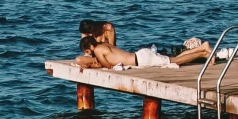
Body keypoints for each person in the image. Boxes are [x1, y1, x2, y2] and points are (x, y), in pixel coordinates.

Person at [78, 19, 209, 70]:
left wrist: (90, 66)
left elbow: (107, 66)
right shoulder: (104, 46)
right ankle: (202, 50)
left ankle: (202, 51)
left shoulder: (99, 49)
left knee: (177, 60)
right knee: (174, 60)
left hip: (141, 60)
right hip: (140, 55)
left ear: (90, 47)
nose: (88, 54)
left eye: (88, 52)